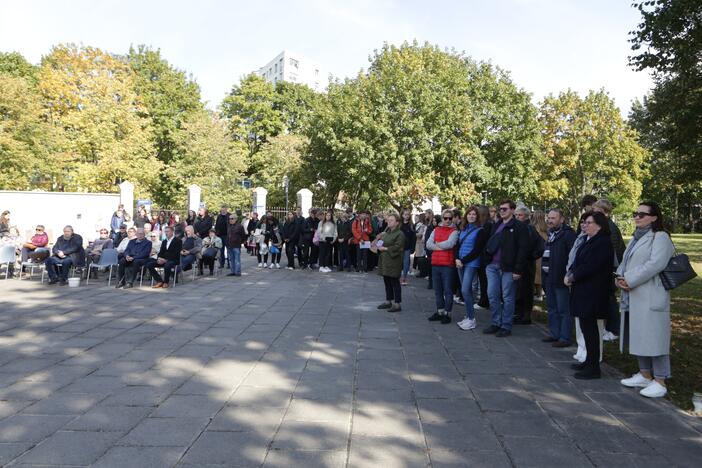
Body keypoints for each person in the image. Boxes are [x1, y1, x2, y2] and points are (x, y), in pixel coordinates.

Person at [616, 202, 675, 398]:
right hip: (634, 294)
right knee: (639, 335)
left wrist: (630, 279)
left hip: (650, 294)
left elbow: (655, 264)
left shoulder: (660, 237)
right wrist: (620, 278)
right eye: (636, 214)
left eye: (642, 214)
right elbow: (626, 262)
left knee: (655, 338)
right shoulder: (635, 238)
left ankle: (660, 380)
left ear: (654, 217)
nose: (637, 217)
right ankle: (644, 374)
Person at [566, 211, 613, 380]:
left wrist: (573, 276)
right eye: (583, 222)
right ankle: (589, 360)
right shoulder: (589, 240)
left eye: (588, 222)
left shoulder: (602, 242)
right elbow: (578, 262)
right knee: (586, 328)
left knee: (592, 331)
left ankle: (594, 367)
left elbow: (591, 266)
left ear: (599, 225)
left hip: (593, 292)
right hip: (583, 290)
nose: (584, 225)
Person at [482, 199, 530, 338]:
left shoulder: (519, 227)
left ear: (513, 210)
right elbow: (489, 243)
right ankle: (496, 322)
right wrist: (487, 261)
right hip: (492, 266)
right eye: (500, 209)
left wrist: (518, 269)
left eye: (505, 209)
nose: (502, 211)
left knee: (508, 297)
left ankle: (506, 325)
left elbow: (523, 249)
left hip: (509, 268)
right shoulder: (496, 225)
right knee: (492, 295)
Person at [540, 209, 577, 347]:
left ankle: (564, 337)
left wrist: (568, 275)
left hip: (561, 278)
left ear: (562, 219)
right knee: (552, 308)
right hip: (549, 277)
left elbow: (573, 256)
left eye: (553, 218)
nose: (550, 220)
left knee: (563, 309)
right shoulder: (551, 234)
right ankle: (554, 334)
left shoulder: (568, 235)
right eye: (548, 217)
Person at [593, 199, 626, 341]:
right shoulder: (606, 225)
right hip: (610, 269)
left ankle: (614, 330)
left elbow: (610, 250)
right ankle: (609, 328)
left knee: (610, 300)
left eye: (596, 210)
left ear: (603, 211)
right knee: (607, 299)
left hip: (611, 269)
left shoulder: (609, 227)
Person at [455, 206, 489, 331]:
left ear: (477, 217)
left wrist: (462, 261)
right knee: (466, 291)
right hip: (460, 263)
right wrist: (457, 258)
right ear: (466, 216)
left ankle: (471, 319)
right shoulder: (462, 229)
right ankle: (468, 315)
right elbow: (458, 245)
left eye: (474, 214)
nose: (471, 216)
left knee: (465, 290)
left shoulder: (480, 231)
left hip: (471, 263)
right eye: (469, 214)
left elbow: (477, 250)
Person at [426, 209, 459, 324]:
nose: (448, 220)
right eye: (445, 218)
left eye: (450, 218)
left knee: (448, 291)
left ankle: (447, 313)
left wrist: (436, 245)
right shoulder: (436, 229)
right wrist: (441, 247)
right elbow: (428, 244)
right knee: (437, 290)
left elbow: (450, 244)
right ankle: (440, 311)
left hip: (447, 265)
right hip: (435, 264)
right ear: (442, 218)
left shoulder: (455, 231)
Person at [513, 206, 544, 325]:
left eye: (519, 215)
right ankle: (519, 314)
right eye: (516, 215)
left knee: (526, 290)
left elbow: (540, 246)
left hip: (526, 265)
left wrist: (530, 257)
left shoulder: (529, 228)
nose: (517, 217)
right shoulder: (517, 227)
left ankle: (526, 316)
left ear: (526, 216)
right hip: (518, 264)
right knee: (518, 290)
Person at [376, 213, 405, 313]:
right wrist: (379, 245)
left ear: (397, 223)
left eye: (391, 220)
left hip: (394, 261)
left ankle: (397, 303)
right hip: (385, 260)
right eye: (388, 220)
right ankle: (388, 300)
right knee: (386, 281)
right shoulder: (387, 232)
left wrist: (386, 248)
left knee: (394, 282)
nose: (389, 222)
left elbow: (398, 247)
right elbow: (381, 242)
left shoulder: (400, 234)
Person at [531, 210, 549, 300]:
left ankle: (537, 294)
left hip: (536, 254)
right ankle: (540, 294)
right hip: (545, 253)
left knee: (536, 275)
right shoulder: (546, 228)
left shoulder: (533, 227)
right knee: (541, 275)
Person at [399, 209, 416, 286]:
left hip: (407, 247)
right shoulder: (399, 224)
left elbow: (413, 238)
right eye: (405, 214)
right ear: (402, 215)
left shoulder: (411, 225)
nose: (406, 216)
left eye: (408, 215)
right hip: (398, 247)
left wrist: (413, 248)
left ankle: (404, 278)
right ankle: (398, 277)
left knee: (406, 263)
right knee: (398, 263)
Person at [424, 210, 435, 289]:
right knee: (429, 264)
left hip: (431, 248)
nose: (425, 215)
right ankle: (430, 281)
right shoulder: (428, 223)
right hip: (428, 247)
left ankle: (431, 282)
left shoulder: (431, 225)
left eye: (426, 213)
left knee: (431, 265)